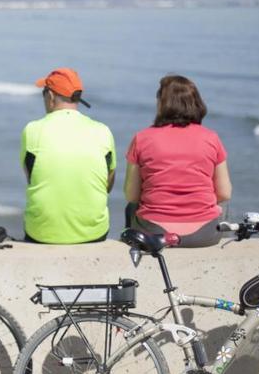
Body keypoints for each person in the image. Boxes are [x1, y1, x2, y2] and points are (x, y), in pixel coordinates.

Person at [124, 75, 231, 247]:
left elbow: (132, 195)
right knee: (222, 205)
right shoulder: (211, 138)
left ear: (162, 104)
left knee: (131, 207)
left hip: (154, 233)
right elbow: (224, 193)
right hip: (204, 235)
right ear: (196, 103)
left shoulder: (142, 138)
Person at [20, 67, 116, 244]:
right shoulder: (103, 131)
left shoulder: (32, 130)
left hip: (42, 233)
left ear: (50, 96)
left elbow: (32, 179)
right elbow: (107, 185)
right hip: (93, 233)